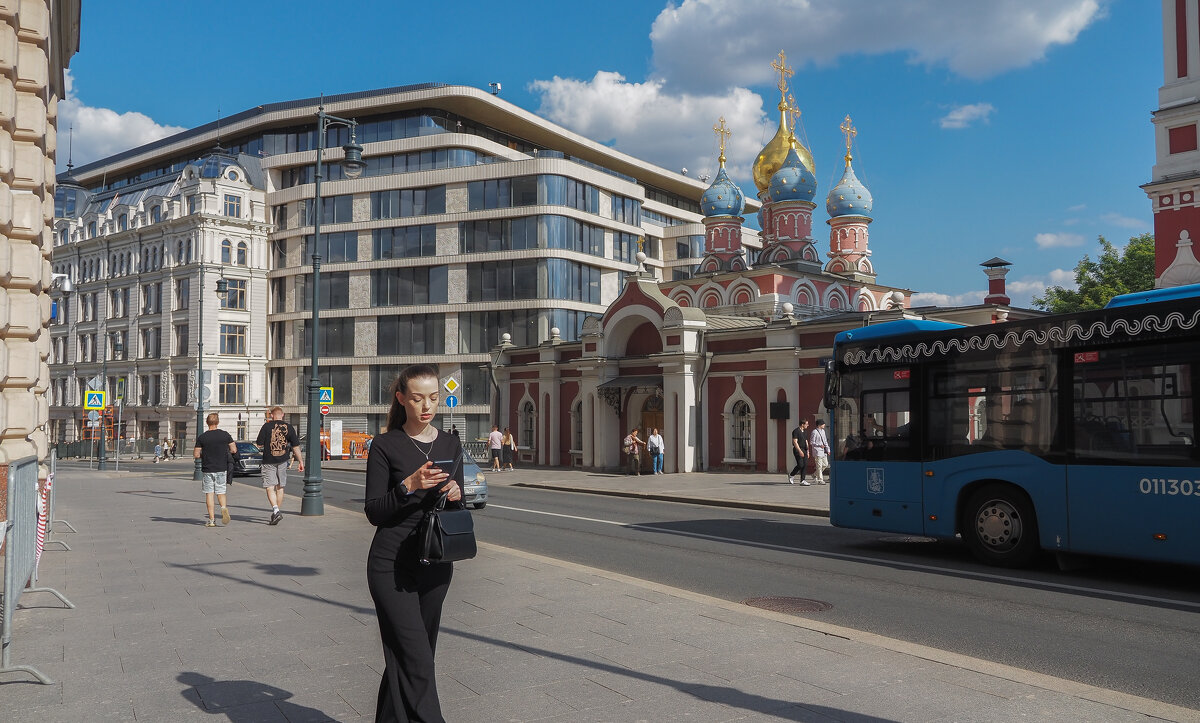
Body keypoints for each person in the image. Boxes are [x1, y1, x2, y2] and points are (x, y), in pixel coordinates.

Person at [364, 364, 464, 723]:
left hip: (436, 565)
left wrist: (455, 493)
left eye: (434, 398)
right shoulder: (385, 445)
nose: (427, 406)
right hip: (391, 566)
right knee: (416, 659)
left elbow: (460, 504)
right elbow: (374, 511)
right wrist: (409, 485)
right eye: (418, 398)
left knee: (412, 658)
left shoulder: (451, 443)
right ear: (401, 398)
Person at [255, 406, 304, 525]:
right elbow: (295, 446)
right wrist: (301, 461)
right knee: (280, 487)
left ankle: (276, 510)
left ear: (272, 415)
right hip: (283, 460)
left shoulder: (266, 426)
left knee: (269, 487)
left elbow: (259, 444)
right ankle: (276, 511)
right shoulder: (289, 427)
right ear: (282, 415)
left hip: (268, 461)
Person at [193, 413, 237, 527]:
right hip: (222, 468)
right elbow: (234, 449)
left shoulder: (202, 437)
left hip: (208, 468)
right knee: (221, 491)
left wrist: (205, 454)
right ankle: (223, 508)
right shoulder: (225, 435)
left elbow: (196, 454)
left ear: (207, 423)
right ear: (217, 422)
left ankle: (212, 520)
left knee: (209, 493)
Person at [788, 419, 810, 485]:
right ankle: (791, 475)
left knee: (805, 465)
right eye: (807, 424)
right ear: (802, 424)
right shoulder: (796, 431)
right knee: (800, 464)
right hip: (798, 450)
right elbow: (795, 442)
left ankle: (802, 480)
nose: (808, 425)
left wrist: (808, 451)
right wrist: (800, 451)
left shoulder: (805, 432)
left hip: (804, 449)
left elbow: (806, 441)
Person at [810, 419, 831, 484]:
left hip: (823, 451)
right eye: (823, 424)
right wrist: (819, 445)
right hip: (817, 451)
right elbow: (811, 442)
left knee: (825, 464)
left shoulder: (823, 431)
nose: (824, 425)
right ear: (819, 425)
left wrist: (828, 449)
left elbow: (825, 441)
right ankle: (820, 479)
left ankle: (814, 474)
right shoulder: (814, 432)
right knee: (819, 465)